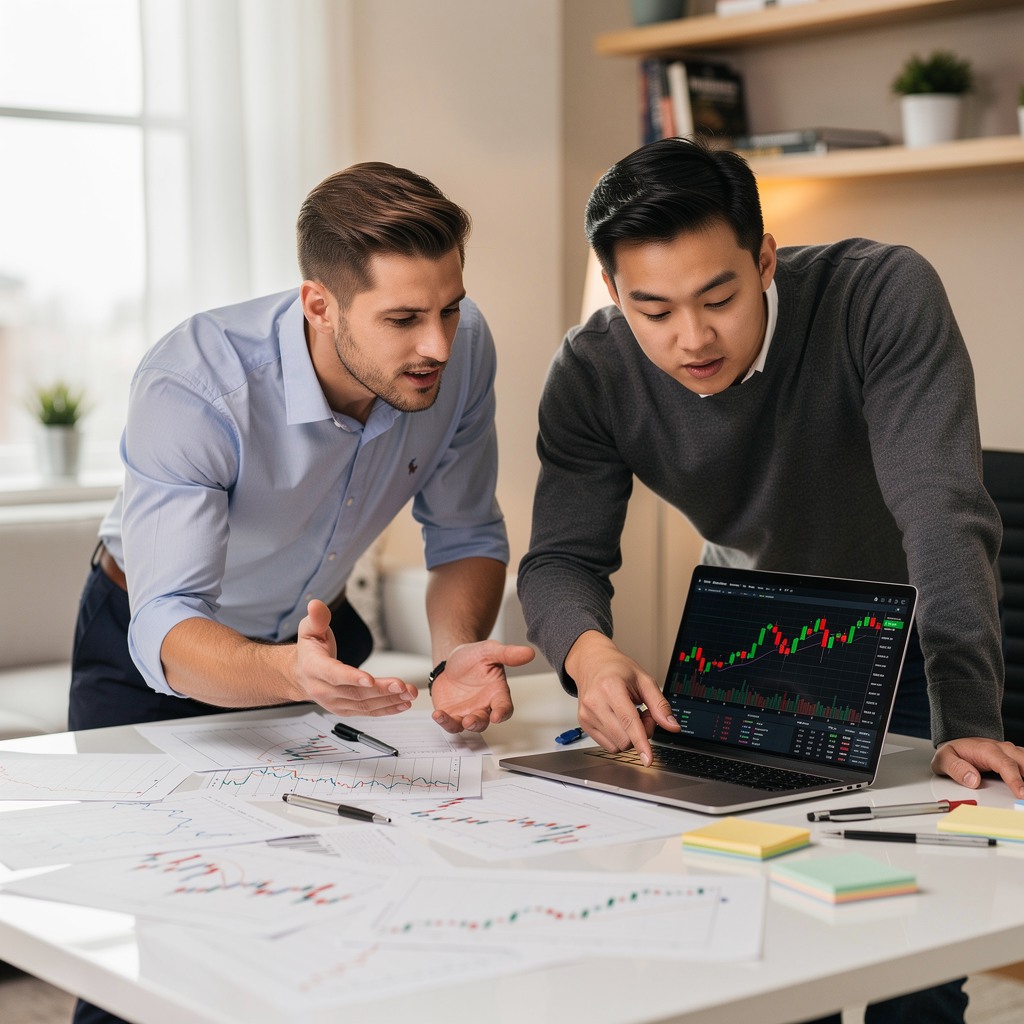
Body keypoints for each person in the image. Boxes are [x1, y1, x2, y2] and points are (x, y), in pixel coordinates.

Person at [517, 135, 1023, 1024]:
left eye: (719, 296)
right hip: (747, 639)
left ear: (764, 259)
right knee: (760, 941)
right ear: (613, 293)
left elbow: (942, 512)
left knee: (912, 945)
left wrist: (968, 722)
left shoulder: (879, 294)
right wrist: (590, 659)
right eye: (655, 310)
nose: (693, 337)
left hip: (904, 628)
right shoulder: (593, 371)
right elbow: (561, 557)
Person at [68, 162, 533, 1024]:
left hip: (317, 633)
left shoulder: (460, 359)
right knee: (152, 935)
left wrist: (455, 653)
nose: (437, 343)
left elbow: (464, 536)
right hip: (155, 647)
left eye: (450, 308)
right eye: (402, 319)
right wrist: (290, 676)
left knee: (337, 912)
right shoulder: (197, 381)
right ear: (319, 304)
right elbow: (167, 622)